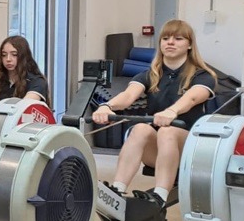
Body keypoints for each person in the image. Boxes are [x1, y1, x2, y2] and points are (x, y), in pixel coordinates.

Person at [92, 19, 217, 208]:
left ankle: (160, 196)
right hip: (158, 148)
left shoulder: (203, 75)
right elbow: (127, 96)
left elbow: (191, 98)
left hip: (190, 150)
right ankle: (116, 191)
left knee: (168, 131)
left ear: (189, 44)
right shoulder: (150, 74)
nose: (170, 42)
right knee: (140, 129)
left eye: (178, 38)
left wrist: (172, 111)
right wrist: (107, 106)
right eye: (165, 38)